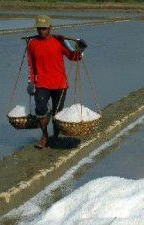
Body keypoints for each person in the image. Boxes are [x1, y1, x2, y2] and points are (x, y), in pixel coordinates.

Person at [27, 15, 87, 149]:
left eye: (44, 28)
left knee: (57, 112)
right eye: (39, 28)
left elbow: (74, 56)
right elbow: (31, 64)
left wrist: (81, 49)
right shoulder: (32, 44)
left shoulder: (60, 41)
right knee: (40, 109)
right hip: (42, 83)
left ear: (50, 28)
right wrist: (31, 82)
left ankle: (55, 137)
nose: (41, 31)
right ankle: (44, 136)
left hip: (59, 83)